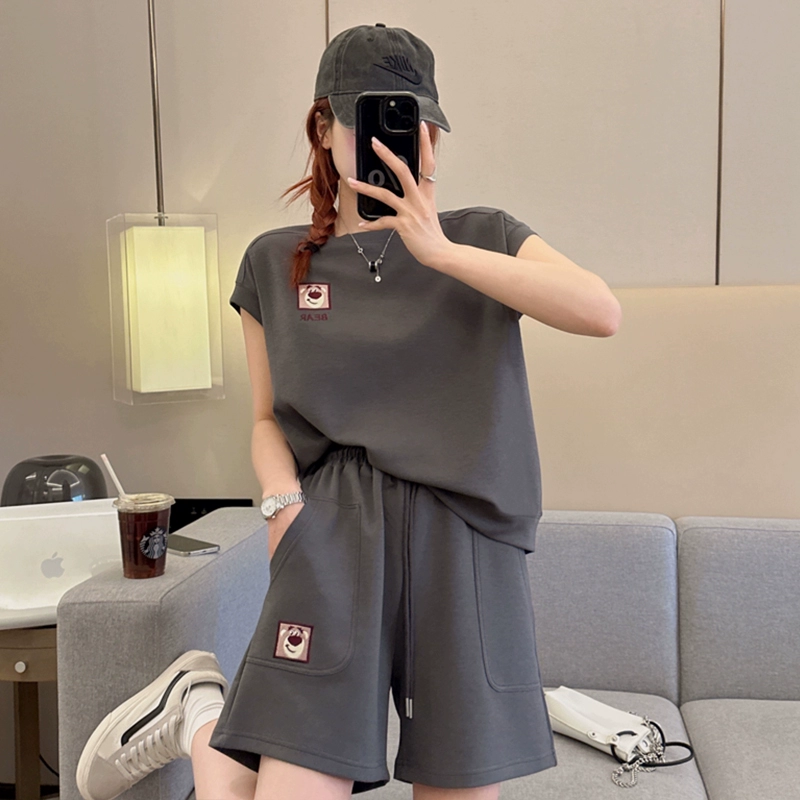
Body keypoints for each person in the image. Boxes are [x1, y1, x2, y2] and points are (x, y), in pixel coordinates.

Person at [77, 21, 620, 800]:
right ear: (324, 130)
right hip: (330, 530)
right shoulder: (274, 260)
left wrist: (439, 252)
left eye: (413, 122)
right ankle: (200, 714)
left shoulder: (484, 237)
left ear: (433, 137)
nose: (396, 143)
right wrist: (281, 504)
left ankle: (198, 713)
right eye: (370, 120)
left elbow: (600, 311)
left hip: (466, 538)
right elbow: (267, 419)